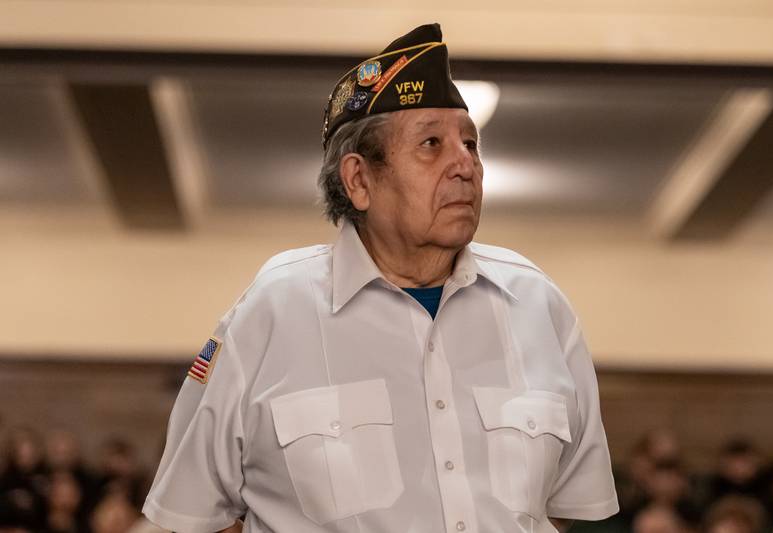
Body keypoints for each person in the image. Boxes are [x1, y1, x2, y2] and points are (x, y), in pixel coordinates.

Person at [143, 23, 619, 533]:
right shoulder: (274, 309)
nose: (466, 165)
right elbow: (188, 514)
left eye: (471, 143)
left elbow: (568, 507)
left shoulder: (537, 304)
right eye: (432, 144)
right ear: (359, 180)